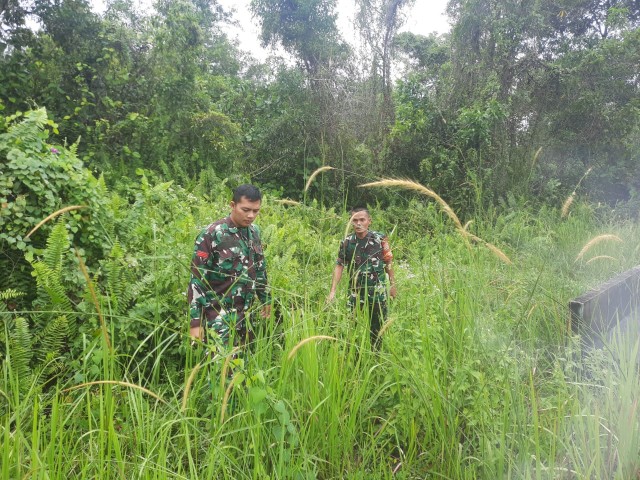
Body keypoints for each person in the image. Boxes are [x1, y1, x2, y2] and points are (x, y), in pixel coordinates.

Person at [187, 184, 271, 349]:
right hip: (218, 319)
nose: (251, 215)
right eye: (245, 210)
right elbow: (196, 280)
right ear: (232, 205)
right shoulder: (212, 234)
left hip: (246, 317)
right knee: (222, 371)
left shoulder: (254, 233)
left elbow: (260, 267)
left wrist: (265, 298)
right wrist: (195, 322)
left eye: (256, 211)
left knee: (244, 369)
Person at [328, 207, 397, 348]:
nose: (358, 223)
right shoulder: (347, 242)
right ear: (350, 222)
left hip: (377, 291)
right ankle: (353, 355)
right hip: (355, 292)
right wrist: (333, 291)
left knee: (378, 326)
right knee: (351, 325)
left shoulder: (379, 239)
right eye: (355, 220)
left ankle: (376, 355)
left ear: (369, 221)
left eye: (362, 220)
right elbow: (339, 264)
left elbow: (388, 261)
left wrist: (393, 284)